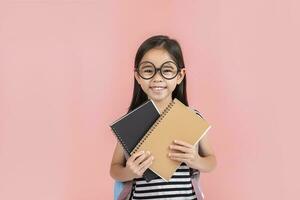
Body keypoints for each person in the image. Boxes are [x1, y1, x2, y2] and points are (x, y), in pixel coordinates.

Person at [110, 35, 217, 200]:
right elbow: (114, 169)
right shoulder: (131, 122)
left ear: (180, 76)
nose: (157, 78)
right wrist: (128, 172)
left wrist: (195, 160)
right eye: (148, 70)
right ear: (138, 76)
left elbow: (211, 161)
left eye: (167, 70)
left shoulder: (191, 118)